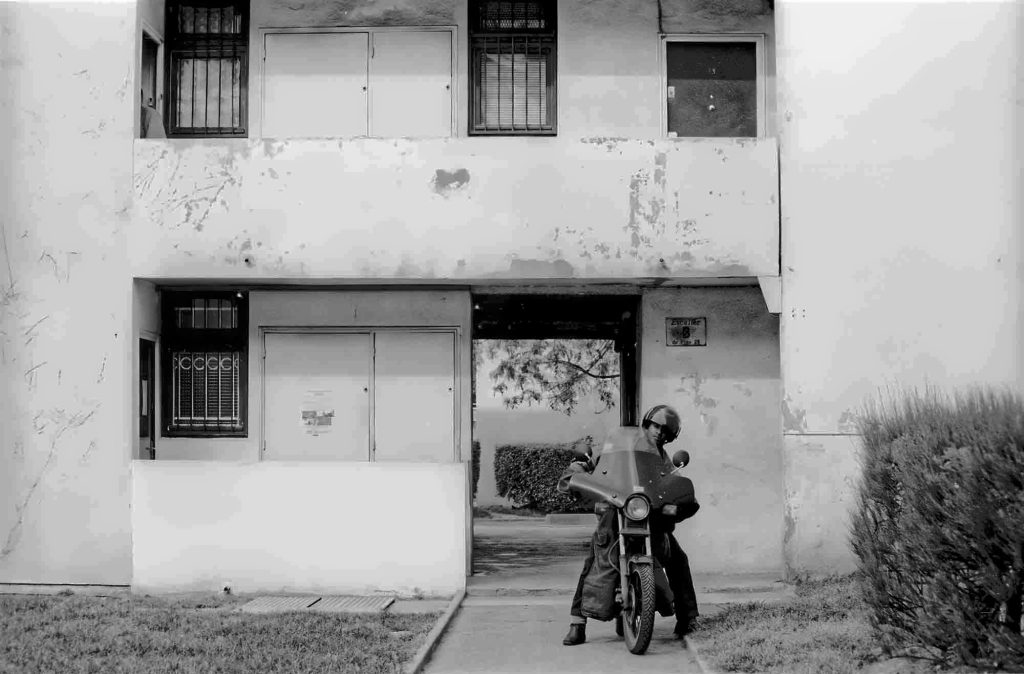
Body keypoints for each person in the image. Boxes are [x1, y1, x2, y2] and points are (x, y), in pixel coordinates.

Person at [559, 404, 700, 646]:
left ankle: (688, 619)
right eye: (656, 426)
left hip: (650, 518)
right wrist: (579, 468)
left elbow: (670, 481)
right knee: (594, 561)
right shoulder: (616, 448)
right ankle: (577, 624)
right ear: (647, 424)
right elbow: (598, 467)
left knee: (677, 558)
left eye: (664, 431)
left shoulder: (662, 459)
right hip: (616, 513)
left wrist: (676, 494)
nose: (658, 433)